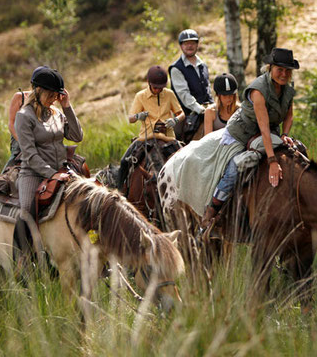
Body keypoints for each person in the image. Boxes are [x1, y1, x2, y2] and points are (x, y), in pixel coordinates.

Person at [201, 48, 299, 227]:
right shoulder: (258, 90)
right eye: (280, 69)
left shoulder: (288, 88)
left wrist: (285, 134)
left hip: (270, 132)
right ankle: (212, 209)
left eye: (287, 70)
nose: (284, 74)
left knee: (297, 149)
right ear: (270, 68)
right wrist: (271, 161)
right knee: (236, 165)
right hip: (243, 132)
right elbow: (262, 126)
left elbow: (289, 115)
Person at [14, 66, 83, 266]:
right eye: (51, 94)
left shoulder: (56, 113)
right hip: (33, 173)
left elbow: (77, 136)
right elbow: (30, 155)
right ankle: (23, 260)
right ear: (38, 91)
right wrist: (52, 174)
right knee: (26, 210)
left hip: (62, 170)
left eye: (56, 95)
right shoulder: (24, 116)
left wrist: (67, 107)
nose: (54, 99)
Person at [116, 65, 185, 189]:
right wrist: (138, 116)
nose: (158, 90)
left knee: (187, 160)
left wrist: (175, 120)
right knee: (124, 162)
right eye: (155, 87)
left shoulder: (169, 94)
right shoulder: (140, 96)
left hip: (168, 138)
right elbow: (130, 118)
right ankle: (120, 191)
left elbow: (181, 114)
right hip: (146, 138)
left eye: (161, 88)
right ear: (148, 83)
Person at [169, 29, 213, 141]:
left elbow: (208, 89)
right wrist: (200, 110)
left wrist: (213, 106)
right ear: (181, 46)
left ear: (197, 44)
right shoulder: (176, 68)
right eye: (186, 43)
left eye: (192, 43)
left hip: (207, 109)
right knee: (176, 141)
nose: (189, 46)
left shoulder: (203, 65)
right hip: (187, 114)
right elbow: (184, 95)